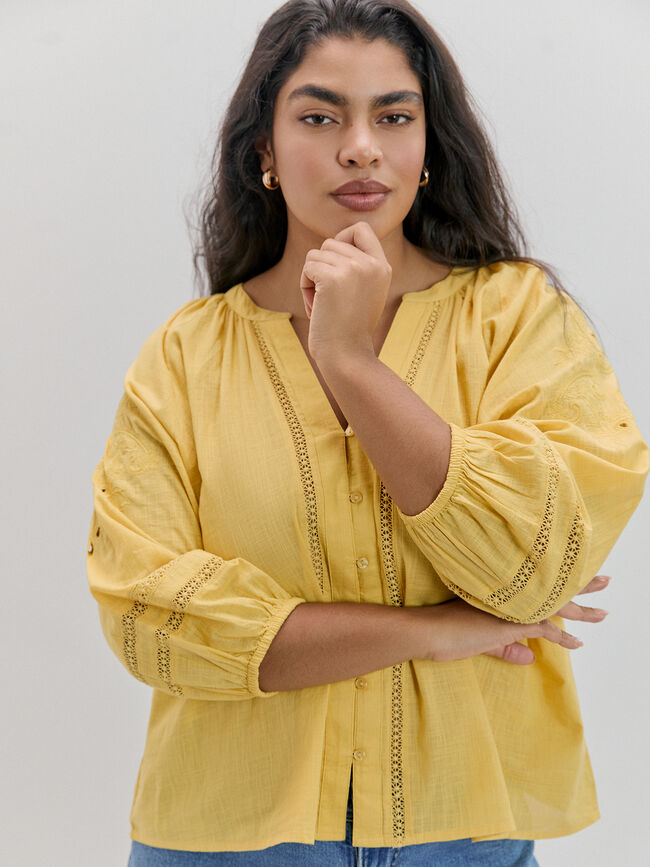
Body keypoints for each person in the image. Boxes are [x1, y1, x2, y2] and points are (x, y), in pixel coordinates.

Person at [86, 1, 648, 864]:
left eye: (394, 115)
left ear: (428, 147)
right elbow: (153, 615)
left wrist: (351, 363)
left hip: (463, 835)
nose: (361, 146)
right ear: (264, 152)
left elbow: (535, 559)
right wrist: (441, 628)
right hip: (226, 841)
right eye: (320, 116)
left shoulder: (518, 318)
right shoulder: (185, 355)